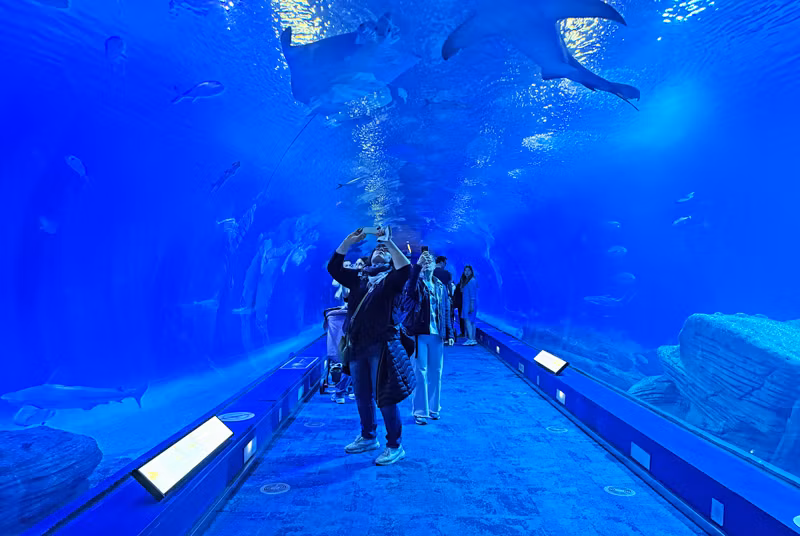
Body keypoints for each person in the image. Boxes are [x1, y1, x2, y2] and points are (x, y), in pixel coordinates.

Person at [327, 228, 415, 466]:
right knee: (362, 395)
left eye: (385, 251)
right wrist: (347, 241)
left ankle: (395, 445)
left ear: (390, 259)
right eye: (378, 248)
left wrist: (389, 242)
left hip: (382, 347)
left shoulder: (391, 281)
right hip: (357, 346)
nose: (380, 250)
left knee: (385, 397)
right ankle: (368, 436)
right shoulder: (359, 278)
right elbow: (334, 268)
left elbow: (405, 269)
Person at [403, 252, 454, 425]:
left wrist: (450, 332)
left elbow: (446, 310)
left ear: (435, 266)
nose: (427, 264)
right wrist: (416, 267)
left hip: (437, 335)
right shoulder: (416, 283)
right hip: (419, 334)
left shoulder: (440, 285)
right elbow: (409, 292)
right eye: (424, 262)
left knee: (436, 372)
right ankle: (420, 411)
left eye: (429, 261)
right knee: (420, 372)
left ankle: (434, 408)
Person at [459, 265, 478, 345]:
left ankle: (470, 338)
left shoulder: (471, 281)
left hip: (469, 303)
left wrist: (471, 305)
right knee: (472, 321)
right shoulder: (468, 280)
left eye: (468, 270)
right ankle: (473, 338)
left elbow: (472, 294)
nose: (466, 272)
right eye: (465, 270)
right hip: (468, 303)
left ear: (471, 271)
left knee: (467, 320)